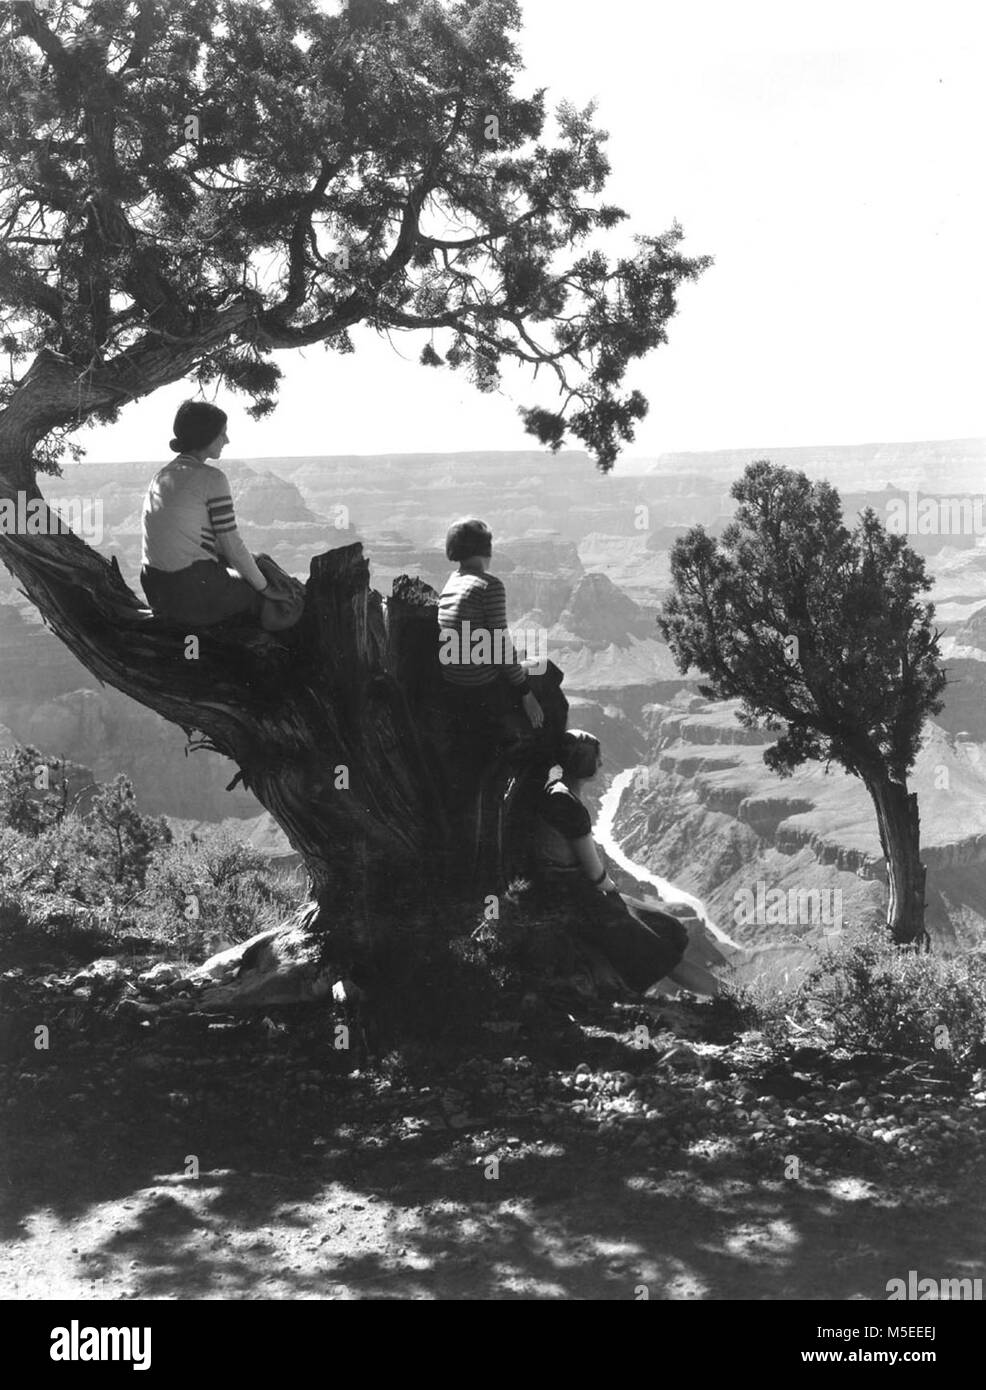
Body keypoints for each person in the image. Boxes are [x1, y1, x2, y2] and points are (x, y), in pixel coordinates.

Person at [533, 729, 724, 995]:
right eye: (597, 759)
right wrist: (612, 892)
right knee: (656, 945)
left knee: (663, 926)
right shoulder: (568, 805)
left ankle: (716, 994)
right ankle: (733, 999)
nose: (601, 764)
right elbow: (595, 874)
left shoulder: (554, 790)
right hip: (573, 895)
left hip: (562, 889)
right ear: (585, 763)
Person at [140, 400, 302, 630]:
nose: (227, 440)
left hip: (156, 589)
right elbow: (231, 546)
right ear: (206, 435)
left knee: (260, 561)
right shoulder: (211, 478)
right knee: (272, 600)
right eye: (222, 433)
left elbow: (211, 545)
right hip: (192, 591)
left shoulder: (162, 475)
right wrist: (266, 588)